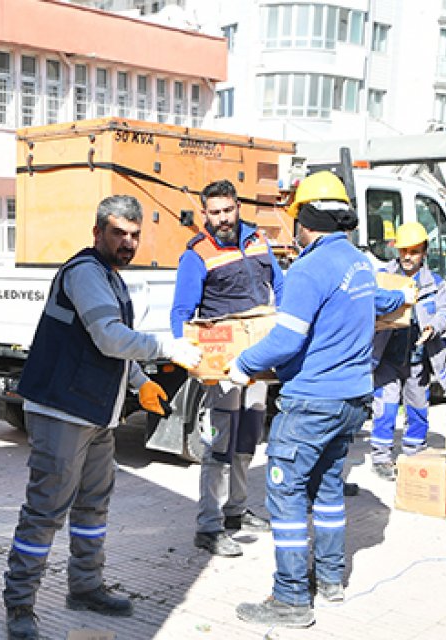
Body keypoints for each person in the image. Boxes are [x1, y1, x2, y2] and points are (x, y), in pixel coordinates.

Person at [2, 195, 203, 640]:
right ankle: (19, 605)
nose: (128, 243)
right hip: (61, 410)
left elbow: (105, 346)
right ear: (97, 233)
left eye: (134, 235)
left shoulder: (109, 277)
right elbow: (112, 338)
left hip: (95, 414)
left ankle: (86, 586)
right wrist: (166, 349)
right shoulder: (86, 273)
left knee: (93, 506)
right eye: (118, 233)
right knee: (45, 510)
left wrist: (137, 383)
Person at [228, 171, 403, 629]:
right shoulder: (360, 263)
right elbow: (383, 302)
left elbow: (286, 340)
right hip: (351, 400)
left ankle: (290, 598)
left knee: (284, 491)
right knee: (326, 489)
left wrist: (242, 365)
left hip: (312, 401)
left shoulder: (308, 267)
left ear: (306, 217)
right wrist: (404, 296)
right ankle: (330, 580)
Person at [169, 179, 282, 558]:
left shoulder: (258, 241)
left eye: (227, 210)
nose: (222, 219)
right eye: (214, 212)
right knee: (219, 444)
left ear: (237, 207)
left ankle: (235, 510)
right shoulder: (196, 254)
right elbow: (181, 314)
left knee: (248, 437)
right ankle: (208, 525)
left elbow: (279, 287)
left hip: (260, 361)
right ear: (205, 214)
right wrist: (188, 354)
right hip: (223, 365)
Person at [368, 222, 446, 481]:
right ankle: (381, 457)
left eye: (414, 251)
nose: (408, 257)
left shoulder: (434, 283)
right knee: (386, 406)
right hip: (387, 356)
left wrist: (434, 326)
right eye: (404, 251)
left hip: (418, 358)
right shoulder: (383, 278)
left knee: (418, 406)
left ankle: (414, 452)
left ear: (424, 252)